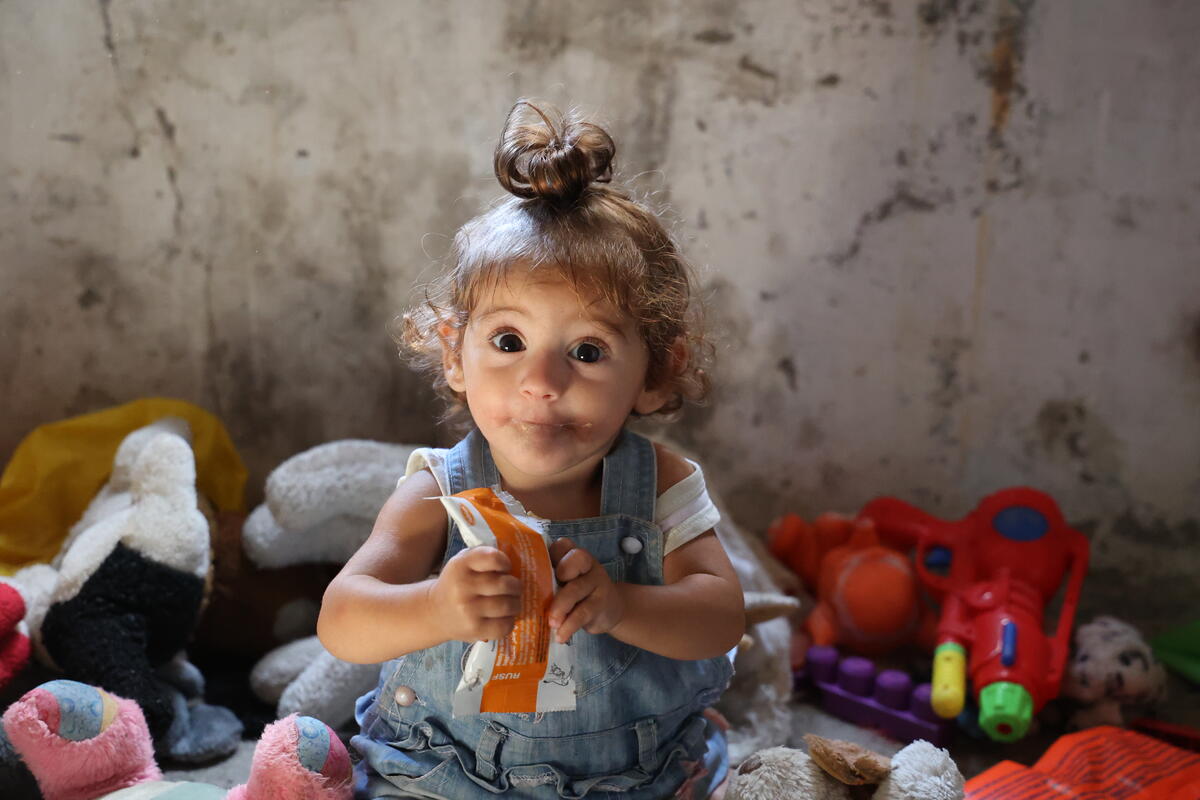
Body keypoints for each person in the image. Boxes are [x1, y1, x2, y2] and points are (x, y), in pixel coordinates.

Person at [318, 99, 744, 800]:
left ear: (655, 373)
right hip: (442, 773)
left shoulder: (659, 484)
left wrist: (623, 606)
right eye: (509, 341)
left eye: (587, 351)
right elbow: (342, 620)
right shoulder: (437, 490)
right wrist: (435, 607)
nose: (542, 382)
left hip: (636, 778)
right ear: (454, 353)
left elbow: (721, 618)